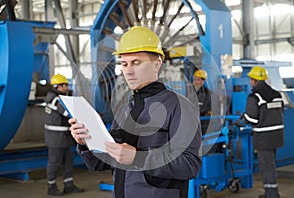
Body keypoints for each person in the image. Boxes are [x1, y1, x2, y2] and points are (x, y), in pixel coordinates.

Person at [69, 26, 202, 198]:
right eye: (124, 64)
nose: (128, 71)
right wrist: (85, 143)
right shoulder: (125, 110)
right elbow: (102, 164)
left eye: (136, 63)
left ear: (157, 63)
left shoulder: (180, 107)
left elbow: (189, 164)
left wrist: (138, 158)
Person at [242, 66, 284, 198]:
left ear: (254, 80)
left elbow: (251, 118)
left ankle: (272, 194)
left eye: (250, 79)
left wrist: (242, 118)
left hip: (263, 137)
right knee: (270, 164)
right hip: (277, 135)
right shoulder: (277, 94)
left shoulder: (255, 96)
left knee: (267, 166)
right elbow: (280, 112)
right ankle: (270, 192)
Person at [44, 74, 84, 196]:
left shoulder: (60, 97)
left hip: (64, 137)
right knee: (54, 163)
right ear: (59, 86)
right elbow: (67, 113)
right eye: (65, 85)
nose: (67, 87)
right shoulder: (54, 99)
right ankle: (51, 187)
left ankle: (69, 185)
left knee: (68, 162)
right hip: (56, 138)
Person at [193, 69, 212, 135]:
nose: (195, 82)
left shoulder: (207, 93)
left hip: (203, 123)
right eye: (194, 79)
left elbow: (204, 108)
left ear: (203, 81)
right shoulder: (193, 91)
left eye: (197, 80)